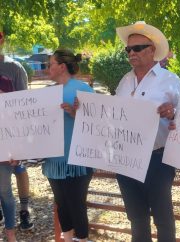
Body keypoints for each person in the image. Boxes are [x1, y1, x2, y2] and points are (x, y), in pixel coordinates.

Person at [115, 21, 180, 242]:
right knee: (136, 218)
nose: (131, 53)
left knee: (163, 218)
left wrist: (173, 114)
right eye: (128, 49)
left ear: (152, 50)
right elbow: (113, 115)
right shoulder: (124, 82)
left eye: (137, 48)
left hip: (158, 159)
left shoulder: (171, 81)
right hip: (126, 158)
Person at [42, 49, 94, 242]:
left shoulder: (84, 90)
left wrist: (75, 113)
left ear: (62, 67)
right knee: (62, 204)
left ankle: (81, 239)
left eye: (50, 64)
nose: (48, 68)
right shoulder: (48, 93)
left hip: (78, 161)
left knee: (76, 204)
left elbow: (97, 123)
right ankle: (68, 238)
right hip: (54, 162)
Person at [0, 25, 34, 231]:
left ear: (2, 39)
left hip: (13, 133)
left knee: (19, 169)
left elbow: (27, 104)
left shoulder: (15, 68)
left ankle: (24, 209)